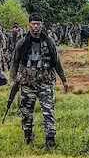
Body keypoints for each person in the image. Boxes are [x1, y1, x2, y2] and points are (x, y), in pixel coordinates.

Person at [10, 14, 69, 148]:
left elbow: (56, 62)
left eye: (38, 24)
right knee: (26, 112)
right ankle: (28, 138)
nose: (36, 26)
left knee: (48, 112)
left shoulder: (49, 41)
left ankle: (50, 140)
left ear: (41, 25)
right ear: (29, 25)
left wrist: (64, 80)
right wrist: (13, 79)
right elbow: (15, 62)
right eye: (33, 24)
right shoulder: (22, 42)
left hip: (45, 82)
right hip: (27, 83)